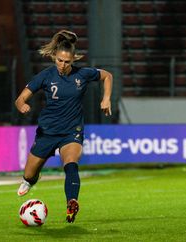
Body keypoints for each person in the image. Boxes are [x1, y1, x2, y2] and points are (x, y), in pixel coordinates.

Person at [15, 30, 113, 223]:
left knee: (71, 163)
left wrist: (106, 98)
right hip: (47, 132)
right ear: (54, 57)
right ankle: (31, 180)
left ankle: (72, 203)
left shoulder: (82, 74)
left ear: (73, 59)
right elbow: (20, 99)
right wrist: (23, 106)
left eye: (67, 62)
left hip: (72, 131)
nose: (63, 65)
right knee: (29, 174)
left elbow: (107, 76)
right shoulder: (45, 76)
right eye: (60, 60)